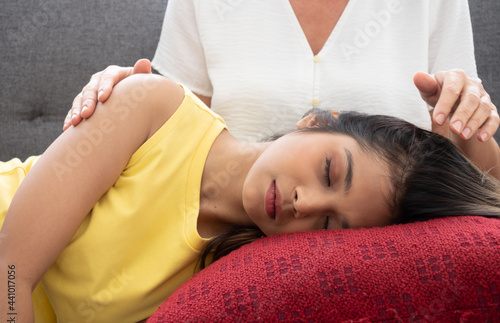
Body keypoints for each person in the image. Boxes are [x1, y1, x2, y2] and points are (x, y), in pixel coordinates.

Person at [1, 74, 500, 323]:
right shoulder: (153, 108)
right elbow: (10, 271)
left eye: (330, 226)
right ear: (318, 119)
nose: (305, 204)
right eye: (331, 170)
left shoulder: (233, 286)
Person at [65, 0, 499, 144]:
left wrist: (472, 122)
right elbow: (175, 147)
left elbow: (481, 189)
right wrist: (124, 101)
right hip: (227, 267)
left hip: (390, 279)